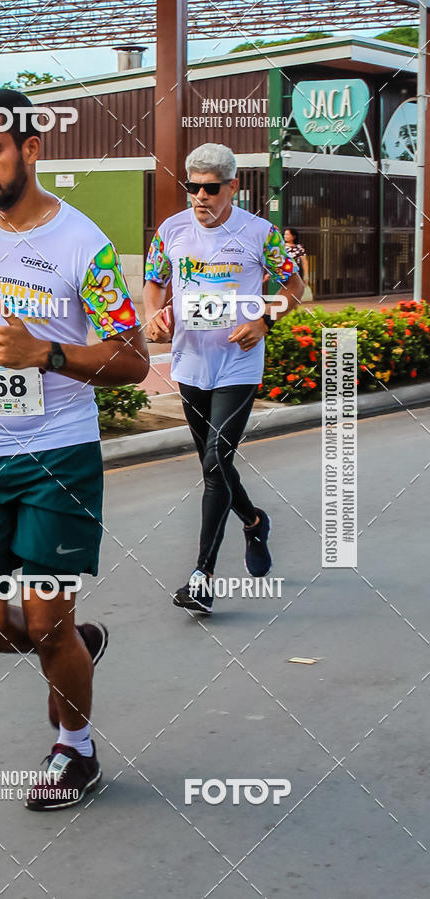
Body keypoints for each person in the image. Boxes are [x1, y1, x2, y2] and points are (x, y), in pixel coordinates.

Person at [0, 89, 149, 809]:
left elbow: (133, 358)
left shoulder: (82, 244)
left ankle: (74, 750)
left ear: (31, 149)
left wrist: (46, 353)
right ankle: (72, 643)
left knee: (43, 614)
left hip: (59, 453)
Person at [143, 143, 304, 614]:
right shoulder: (171, 230)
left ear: (233, 187)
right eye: (192, 187)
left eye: (211, 188)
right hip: (189, 362)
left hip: (238, 362)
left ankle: (202, 575)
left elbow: (293, 284)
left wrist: (263, 322)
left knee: (216, 461)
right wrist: (154, 314)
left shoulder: (259, 233)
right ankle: (253, 521)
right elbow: (155, 281)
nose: (200, 197)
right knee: (216, 465)